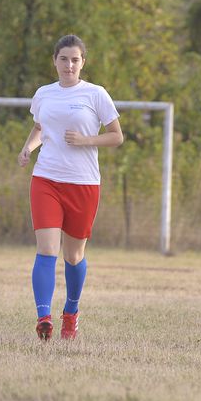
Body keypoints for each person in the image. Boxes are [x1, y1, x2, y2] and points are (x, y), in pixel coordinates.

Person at [18, 34, 123, 341]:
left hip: (83, 183)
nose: (69, 65)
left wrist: (87, 140)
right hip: (46, 179)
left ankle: (71, 312)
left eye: (75, 59)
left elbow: (117, 136)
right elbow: (40, 128)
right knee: (47, 249)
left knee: (74, 256)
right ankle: (43, 317)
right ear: (55, 61)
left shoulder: (96, 94)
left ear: (82, 63)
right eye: (63, 59)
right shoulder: (44, 94)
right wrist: (28, 148)